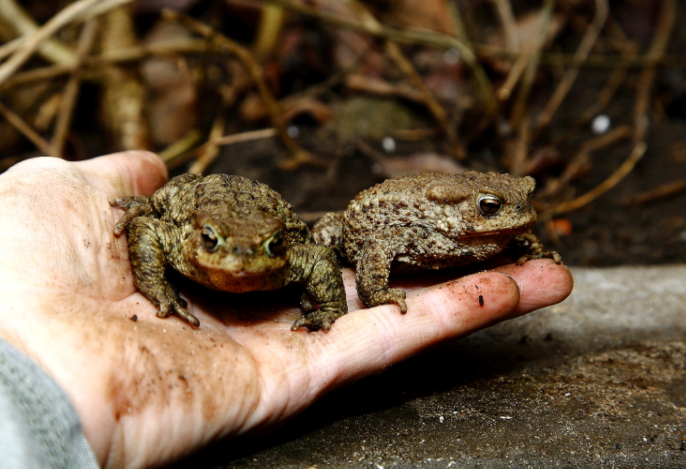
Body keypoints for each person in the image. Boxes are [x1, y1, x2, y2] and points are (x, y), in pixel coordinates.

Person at [0, 151, 573, 468]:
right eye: (216, 249)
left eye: (274, 252)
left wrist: (324, 307)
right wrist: (156, 288)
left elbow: (314, 263)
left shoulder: (294, 255)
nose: (242, 265)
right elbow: (149, 223)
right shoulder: (178, 237)